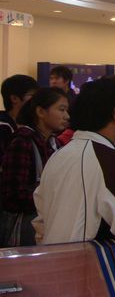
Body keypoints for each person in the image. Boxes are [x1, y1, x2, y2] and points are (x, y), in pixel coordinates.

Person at [33, 76, 115, 244]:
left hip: (54, 253)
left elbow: (41, 218)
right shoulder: (107, 159)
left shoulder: (60, 154)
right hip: (85, 257)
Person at [0, 88, 69, 246]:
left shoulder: (55, 143)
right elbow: (12, 196)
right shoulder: (22, 142)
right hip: (26, 228)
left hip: (49, 224)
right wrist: (53, 199)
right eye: (61, 109)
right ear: (40, 112)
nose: (67, 116)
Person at [0, 75, 39, 164]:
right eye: (32, 95)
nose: (37, 100)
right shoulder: (3, 128)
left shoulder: (31, 125)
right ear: (14, 98)